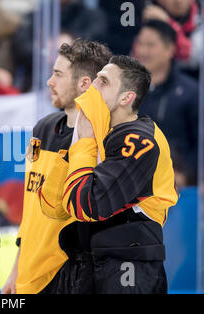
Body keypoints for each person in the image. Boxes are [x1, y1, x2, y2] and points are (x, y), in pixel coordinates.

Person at [42, 56, 178, 293]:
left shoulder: (140, 140)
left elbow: (86, 204)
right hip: (90, 261)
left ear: (126, 98)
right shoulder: (96, 132)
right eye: (95, 79)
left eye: (103, 82)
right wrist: (78, 136)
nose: (93, 86)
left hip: (129, 266)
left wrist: (83, 144)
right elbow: (53, 205)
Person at [2, 39, 112, 294]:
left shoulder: (103, 139)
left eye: (58, 75)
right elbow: (31, 208)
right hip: (31, 275)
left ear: (84, 83)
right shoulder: (42, 128)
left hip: (73, 275)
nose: (49, 81)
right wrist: (17, 269)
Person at [134, 19, 198, 188]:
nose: (142, 51)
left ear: (170, 49)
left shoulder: (190, 92)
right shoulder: (129, 91)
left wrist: (187, 175)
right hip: (134, 185)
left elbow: (199, 143)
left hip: (179, 189)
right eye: (140, 44)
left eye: (150, 45)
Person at [142, 0, 202, 79]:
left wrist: (169, 24)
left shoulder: (199, 14)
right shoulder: (146, 12)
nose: (178, 1)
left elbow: (194, 56)